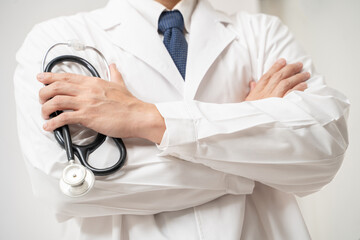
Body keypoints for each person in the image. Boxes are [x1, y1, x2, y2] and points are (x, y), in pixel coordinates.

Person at [14, 0, 349, 239]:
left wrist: (145, 118)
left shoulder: (263, 33)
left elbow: (324, 147)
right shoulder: (57, 40)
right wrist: (250, 151)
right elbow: (66, 187)